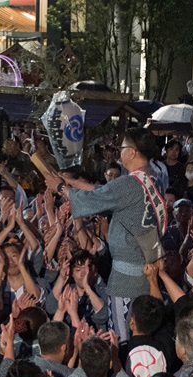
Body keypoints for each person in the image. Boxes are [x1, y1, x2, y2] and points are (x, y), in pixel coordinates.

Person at [45, 127, 166, 342]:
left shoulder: (129, 183)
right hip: (144, 269)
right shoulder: (151, 178)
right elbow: (103, 192)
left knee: (122, 336)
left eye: (122, 148)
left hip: (127, 277)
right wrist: (73, 184)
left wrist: (61, 187)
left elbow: (95, 199)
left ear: (132, 152)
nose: (120, 152)